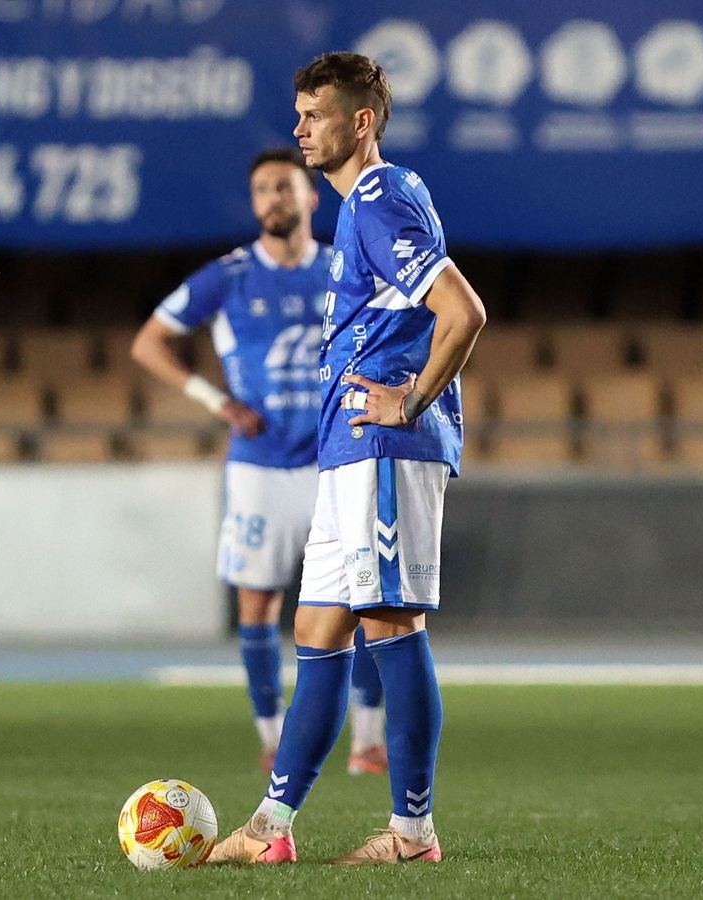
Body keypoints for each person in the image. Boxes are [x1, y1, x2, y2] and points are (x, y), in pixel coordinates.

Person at [208, 50, 487, 866]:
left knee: (392, 623)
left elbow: (462, 311)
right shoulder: (357, 212)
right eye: (296, 113)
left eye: (315, 113)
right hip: (345, 453)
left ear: (360, 122)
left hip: (384, 447)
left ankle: (411, 832)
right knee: (319, 628)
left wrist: (412, 398)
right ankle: (269, 829)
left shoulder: (378, 200)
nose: (298, 128)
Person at [131, 147, 388, 775]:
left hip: (336, 459)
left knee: (369, 601)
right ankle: (272, 735)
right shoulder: (230, 275)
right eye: (262, 190)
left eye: (284, 187)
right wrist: (215, 400)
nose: (273, 199)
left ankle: (368, 743)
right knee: (259, 606)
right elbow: (149, 342)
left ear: (310, 197)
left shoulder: (344, 266)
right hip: (260, 466)